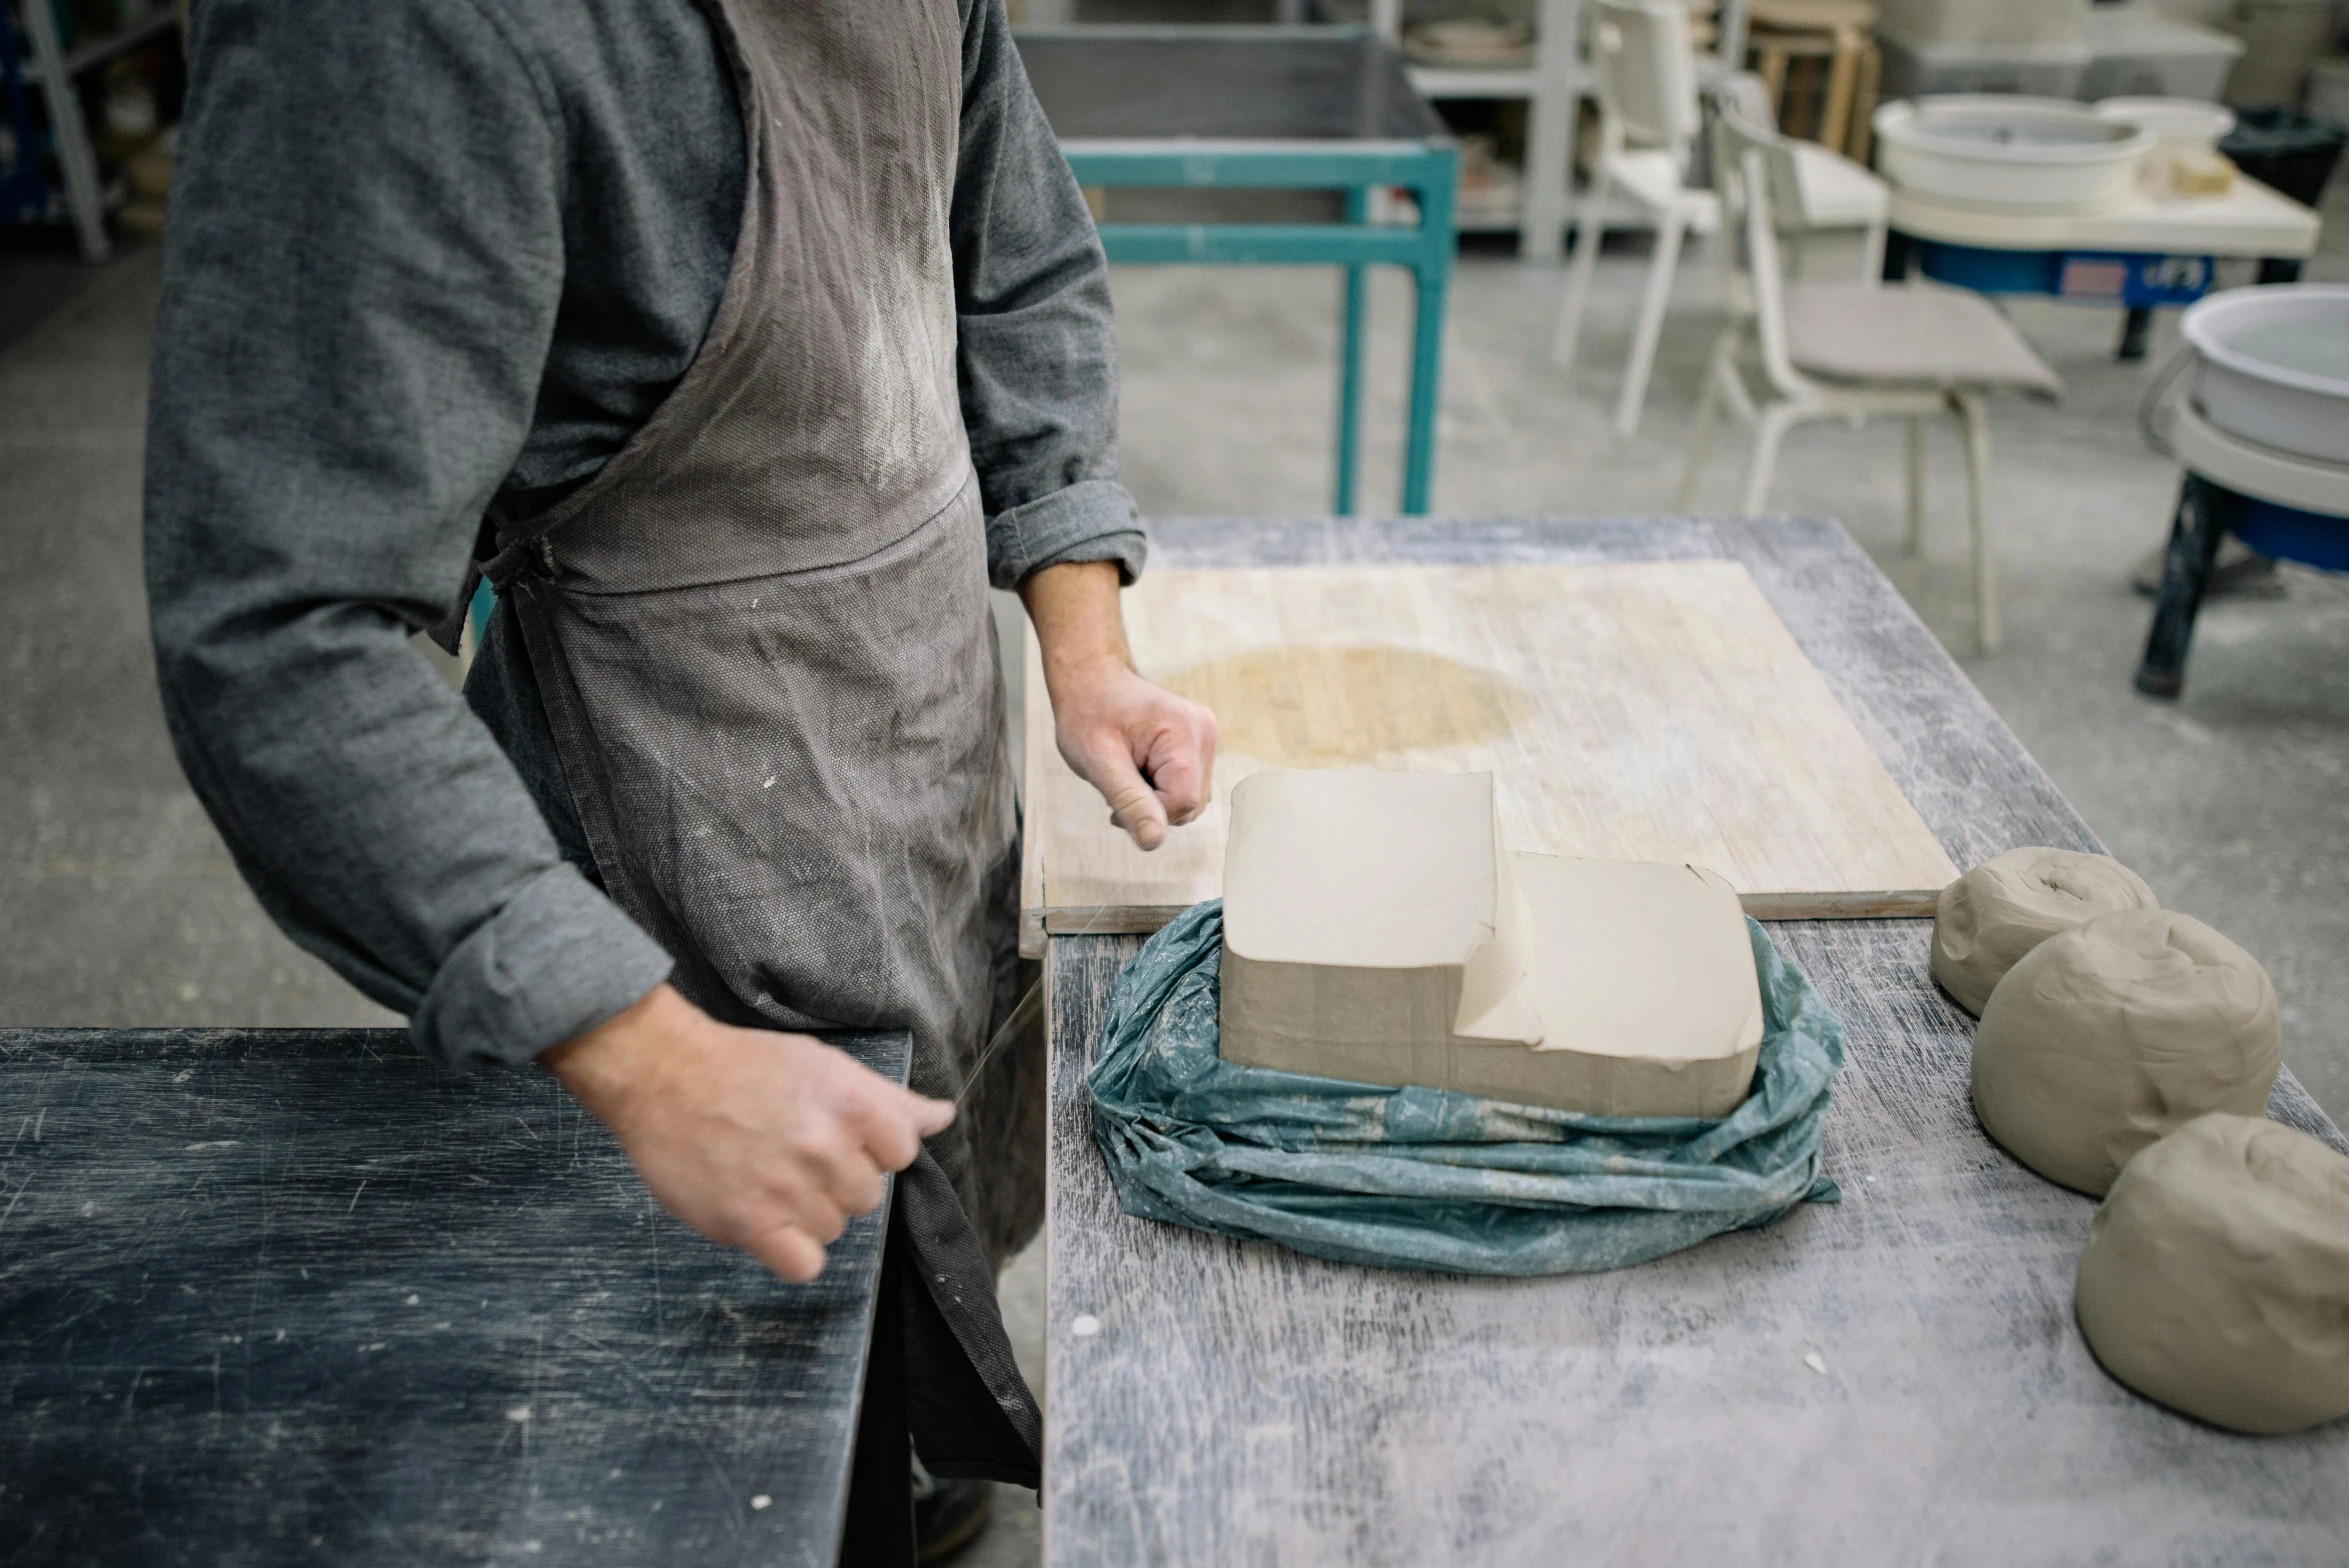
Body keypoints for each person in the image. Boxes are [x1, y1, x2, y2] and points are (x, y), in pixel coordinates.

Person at [142, 0, 1217, 1553]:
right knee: (736, 1437)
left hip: (916, 753)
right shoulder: (399, 34)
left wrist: (1084, 641)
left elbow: (1012, 259)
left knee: (937, 1206)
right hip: (674, 869)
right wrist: (644, 1058)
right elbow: (283, 630)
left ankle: (901, 1455)